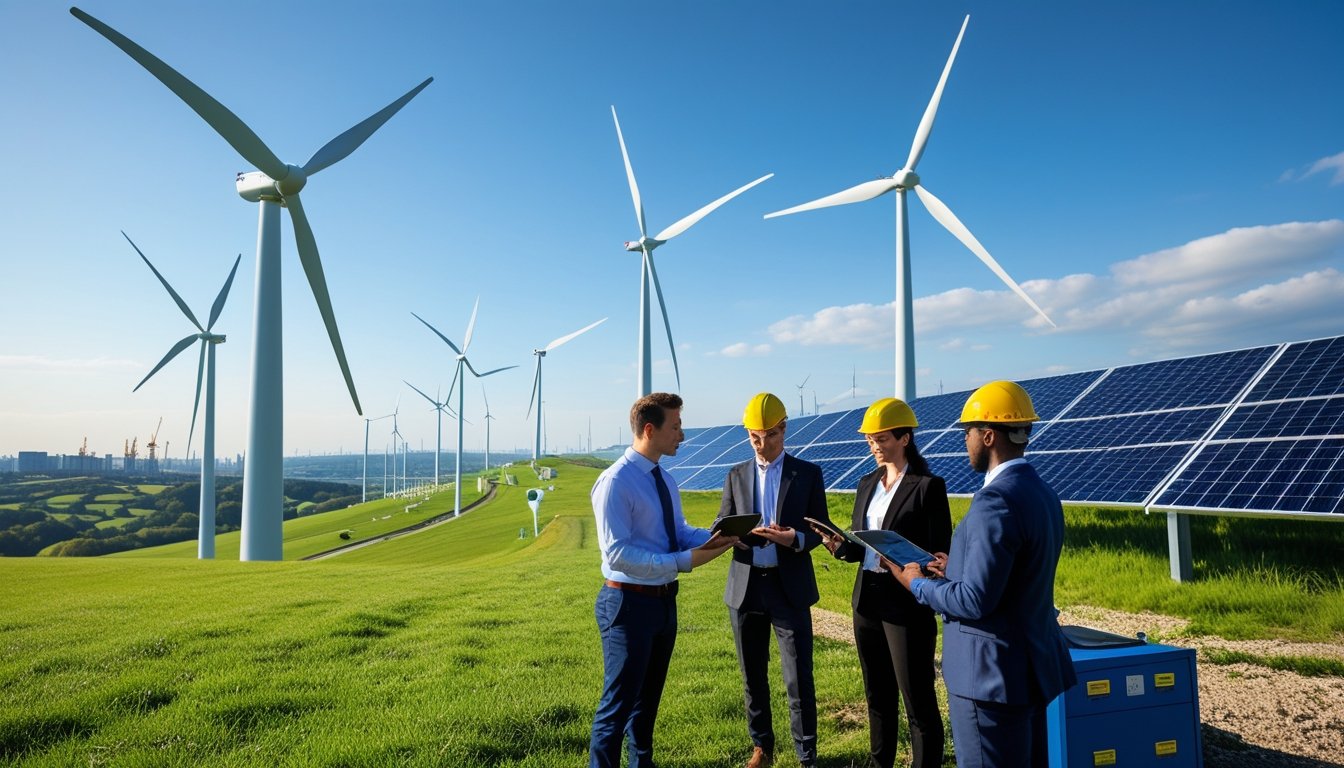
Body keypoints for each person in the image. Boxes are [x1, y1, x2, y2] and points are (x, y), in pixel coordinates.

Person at [891, 380, 1077, 768]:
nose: (965, 442)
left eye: (968, 433)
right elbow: (1016, 575)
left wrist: (919, 584)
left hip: (990, 679)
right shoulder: (1042, 493)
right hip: (1032, 668)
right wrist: (953, 568)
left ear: (989, 435)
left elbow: (974, 600)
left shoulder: (994, 501)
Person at [589, 392, 737, 768]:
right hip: (627, 605)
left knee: (647, 705)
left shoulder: (665, 480)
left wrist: (718, 538)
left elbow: (677, 531)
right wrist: (681, 562)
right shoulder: (615, 483)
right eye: (676, 427)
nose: (682, 436)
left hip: (662, 603)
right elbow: (617, 554)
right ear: (649, 430)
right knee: (617, 707)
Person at [811, 397, 950, 768]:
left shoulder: (927, 487)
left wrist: (930, 564)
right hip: (867, 601)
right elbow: (865, 548)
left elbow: (940, 554)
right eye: (870, 439)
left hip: (906, 604)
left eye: (882, 438)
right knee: (878, 696)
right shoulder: (866, 482)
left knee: (917, 700)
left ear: (905, 438)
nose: (875, 446)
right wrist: (840, 546)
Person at [715, 393, 833, 768]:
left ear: (785, 429)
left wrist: (794, 539)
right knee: (753, 675)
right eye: (754, 437)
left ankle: (806, 754)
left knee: (798, 676)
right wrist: (736, 533)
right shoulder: (735, 475)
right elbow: (722, 524)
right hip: (746, 586)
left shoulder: (807, 474)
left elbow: (821, 529)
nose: (762, 445)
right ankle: (762, 748)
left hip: (789, 587)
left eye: (770, 435)